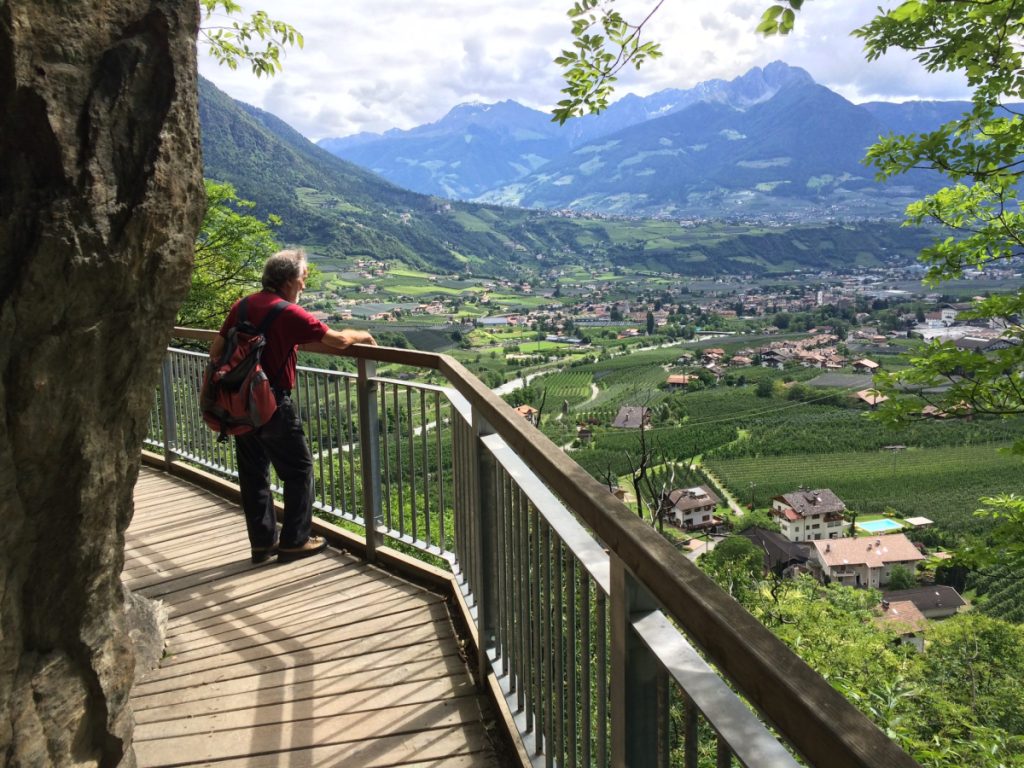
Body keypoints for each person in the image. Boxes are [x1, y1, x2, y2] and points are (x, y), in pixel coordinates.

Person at [209, 249, 376, 564]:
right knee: (299, 469)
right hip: (272, 403)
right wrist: (363, 335)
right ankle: (295, 541)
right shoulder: (287, 312)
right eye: (303, 276)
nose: (305, 283)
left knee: (253, 472)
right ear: (288, 279)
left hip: (240, 403)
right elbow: (338, 341)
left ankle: (262, 543)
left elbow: (216, 349)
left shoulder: (242, 305)